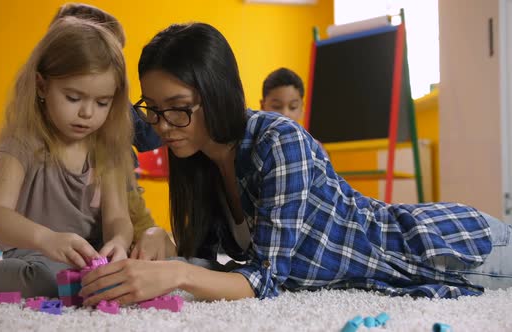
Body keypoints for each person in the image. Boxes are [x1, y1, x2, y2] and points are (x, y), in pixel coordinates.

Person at [78, 22, 511, 306]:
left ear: (217, 93)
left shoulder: (278, 141)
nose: (163, 125)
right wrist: (159, 238)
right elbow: (219, 267)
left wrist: (176, 273)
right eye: (152, 108)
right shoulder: (200, 159)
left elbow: (264, 281)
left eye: (176, 108)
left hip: (448, 250)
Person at [0, 17, 161, 297]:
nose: (87, 113)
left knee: (154, 267)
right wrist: (46, 239)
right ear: (42, 86)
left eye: (102, 102)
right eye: (73, 98)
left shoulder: (107, 147)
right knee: (48, 279)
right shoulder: (22, 143)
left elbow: (118, 217)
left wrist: (119, 242)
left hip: (88, 254)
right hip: (34, 252)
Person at [50, 3, 169, 259]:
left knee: (142, 234)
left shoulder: (119, 106)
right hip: (73, 197)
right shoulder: (45, 110)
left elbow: (154, 136)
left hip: (120, 189)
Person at [260, 67, 328, 158]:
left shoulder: (315, 150)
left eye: (293, 107)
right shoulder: (253, 146)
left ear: (302, 109)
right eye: (277, 106)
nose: (285, 114)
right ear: (262, 107)